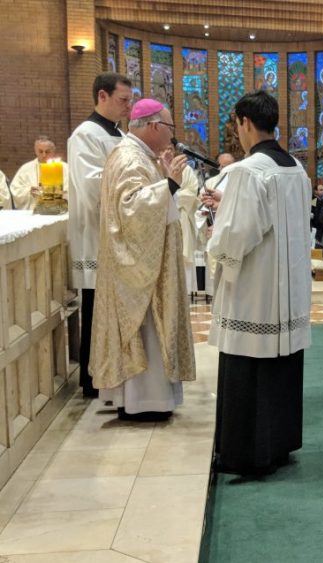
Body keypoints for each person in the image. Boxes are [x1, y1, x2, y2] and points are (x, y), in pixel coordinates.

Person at [207, 91, 312, 475]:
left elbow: (238, 233)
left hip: (256, 292)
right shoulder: (296, 169)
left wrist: (214, 246)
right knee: (280, 369)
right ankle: (279, 446)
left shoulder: (248, 171)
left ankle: (246, 454)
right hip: (289, 293)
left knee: (247, 370)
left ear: (245, 123)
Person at [90, 98, 196, 421]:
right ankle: (144, 402)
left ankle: (148, 400)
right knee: (148, 331)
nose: (172, 135)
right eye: (170, 128)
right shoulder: (130, 158)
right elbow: (131, 210)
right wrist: (170, 185)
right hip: (138, 272)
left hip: (146, 262)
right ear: (154, 127)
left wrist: (166, 183)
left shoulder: (138, 155)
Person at [68, 72, 133, 397]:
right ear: (102, 96)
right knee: (96, 310)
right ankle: (93, 381)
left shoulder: (118, 134)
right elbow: (92, 183)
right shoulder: (86, 134)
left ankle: (113, 374)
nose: (128, 106)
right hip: (97, 235)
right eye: (123, 99)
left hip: (118, 233)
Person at [8, 137, 68, 210]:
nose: (44, 155)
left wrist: (58, 193)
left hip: (59, 209)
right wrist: (29, 191)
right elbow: (15, 189)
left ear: (53, 151)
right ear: (35, 151)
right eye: (40, 151)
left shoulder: (65, 168)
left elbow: (72, 189)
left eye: (47, 152)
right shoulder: (26, 169)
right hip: (33, 211)